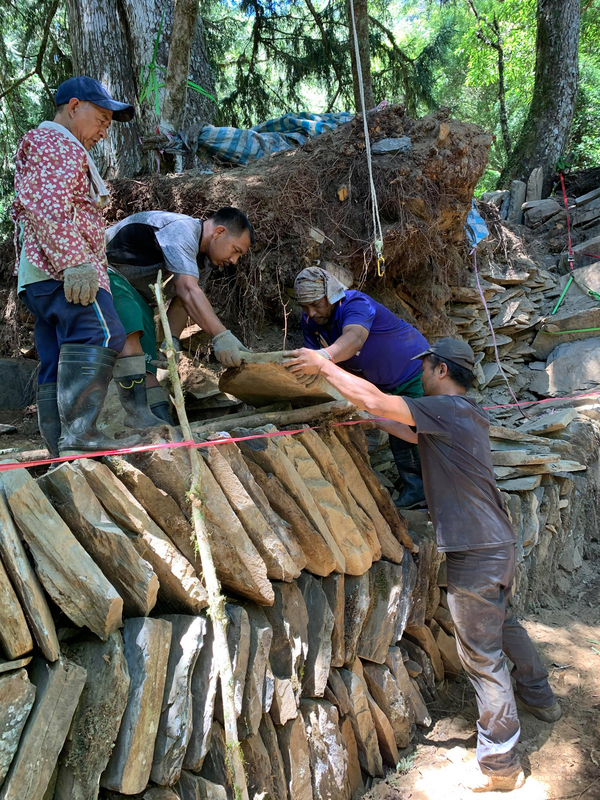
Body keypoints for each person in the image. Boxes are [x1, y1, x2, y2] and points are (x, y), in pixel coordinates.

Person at [283, 337, 561, 793]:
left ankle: (500, 762)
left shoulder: (447, 410)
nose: (421, 376)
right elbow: (399, 424)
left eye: (426, 368)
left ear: (442, 371)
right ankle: (540, 696)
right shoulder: (463, 414)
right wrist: (357, 411)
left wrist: (323, 364)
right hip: (496, 543)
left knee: (481, 655)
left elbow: (379, 398)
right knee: (504, 625)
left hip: (475, 549)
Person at [12, 76, 141, 456]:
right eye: (101, 118)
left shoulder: (50, 145)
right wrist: (75, 263)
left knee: (56, 356)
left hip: (40, 274)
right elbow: (48, 206)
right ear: (73, 107)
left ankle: (62, 449)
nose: (104, 130)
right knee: (102, 335)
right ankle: (81, 436)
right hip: (63, 271)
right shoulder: (58, 143)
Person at [291, 266, 429, 507]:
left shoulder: (356, 304)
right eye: (305, 307)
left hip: (413, 371)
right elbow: (313, 360)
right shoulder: (311, 321)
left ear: (331, 295)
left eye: (315, 304)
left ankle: (433, 489)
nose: (311, 313)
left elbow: (353, 340)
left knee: (420, 429)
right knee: (398, 431)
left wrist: (322, 358)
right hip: (383, 381)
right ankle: (416, 489)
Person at [104, 207, 254, 427]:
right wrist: (222, 336)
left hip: (137, 296)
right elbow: (187, 290)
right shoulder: (181, 231)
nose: (234, 260)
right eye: (235, 250)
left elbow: (183, 302)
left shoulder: (203, 263)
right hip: (106, 274)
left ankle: (163, 429)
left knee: (147, 367)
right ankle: (140, 423)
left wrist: (171, 341)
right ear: (219, 232)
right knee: (132, 345)